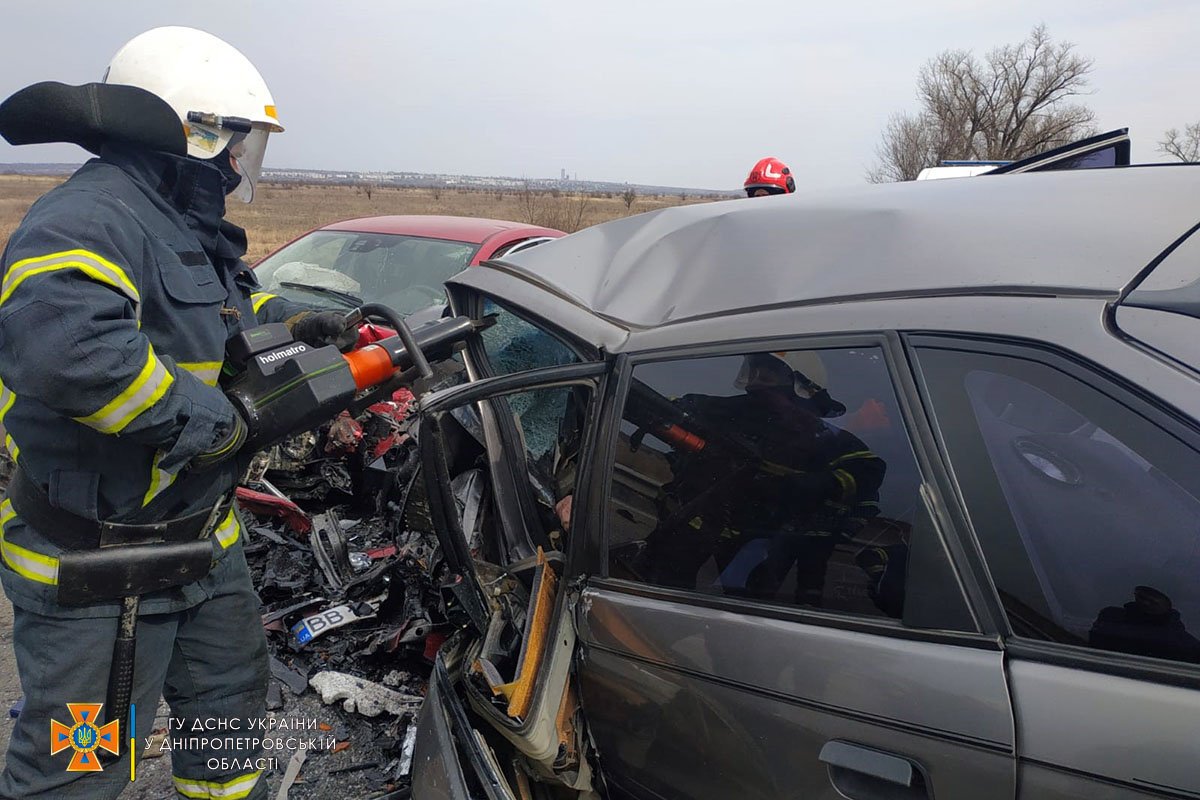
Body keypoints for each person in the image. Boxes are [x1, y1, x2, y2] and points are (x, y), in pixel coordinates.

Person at [0, 27, 348, 799]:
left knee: (227, 724)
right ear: (192, 130)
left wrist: (296, 323)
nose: (240, 164)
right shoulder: (89, 218)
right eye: (236, 142)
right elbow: (72, 356)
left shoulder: (177, 221)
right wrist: (218, 425)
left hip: (200, 544)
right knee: (78, 766)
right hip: (98, 564)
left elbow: (225, 314)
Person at [637, 352, 886, 607]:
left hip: (757, 543)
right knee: (659, 596)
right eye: (754, 369)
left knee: (749, 612)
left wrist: (806, 486)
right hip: (694, 524)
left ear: (801, 386)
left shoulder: (818, 437)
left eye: (769, 372)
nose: (757, 378)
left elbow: (869, 469)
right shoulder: (725, 410)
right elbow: (664, 406)